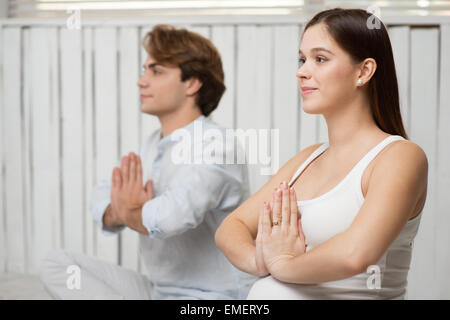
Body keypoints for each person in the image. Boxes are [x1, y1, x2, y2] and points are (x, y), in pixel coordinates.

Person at [215, 8, 428, 299]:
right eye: (302, 59)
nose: (302, 71)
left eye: (320, 59)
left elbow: (355, 254)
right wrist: (259, 261)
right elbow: (230, 228)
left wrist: (281, 264)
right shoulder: (307, 159)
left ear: (363, 71)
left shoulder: (400, 157)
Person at [40, 24, 255, 300]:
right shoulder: (154, 143)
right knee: (57, 264)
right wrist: (124, 210)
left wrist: (127, 211)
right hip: (158, 292)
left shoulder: (217, 144)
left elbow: (172, 217)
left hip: (212, 297)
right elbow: (102, 195)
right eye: (145, 70)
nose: (142, 81)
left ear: (192, 83)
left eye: (156, 71)